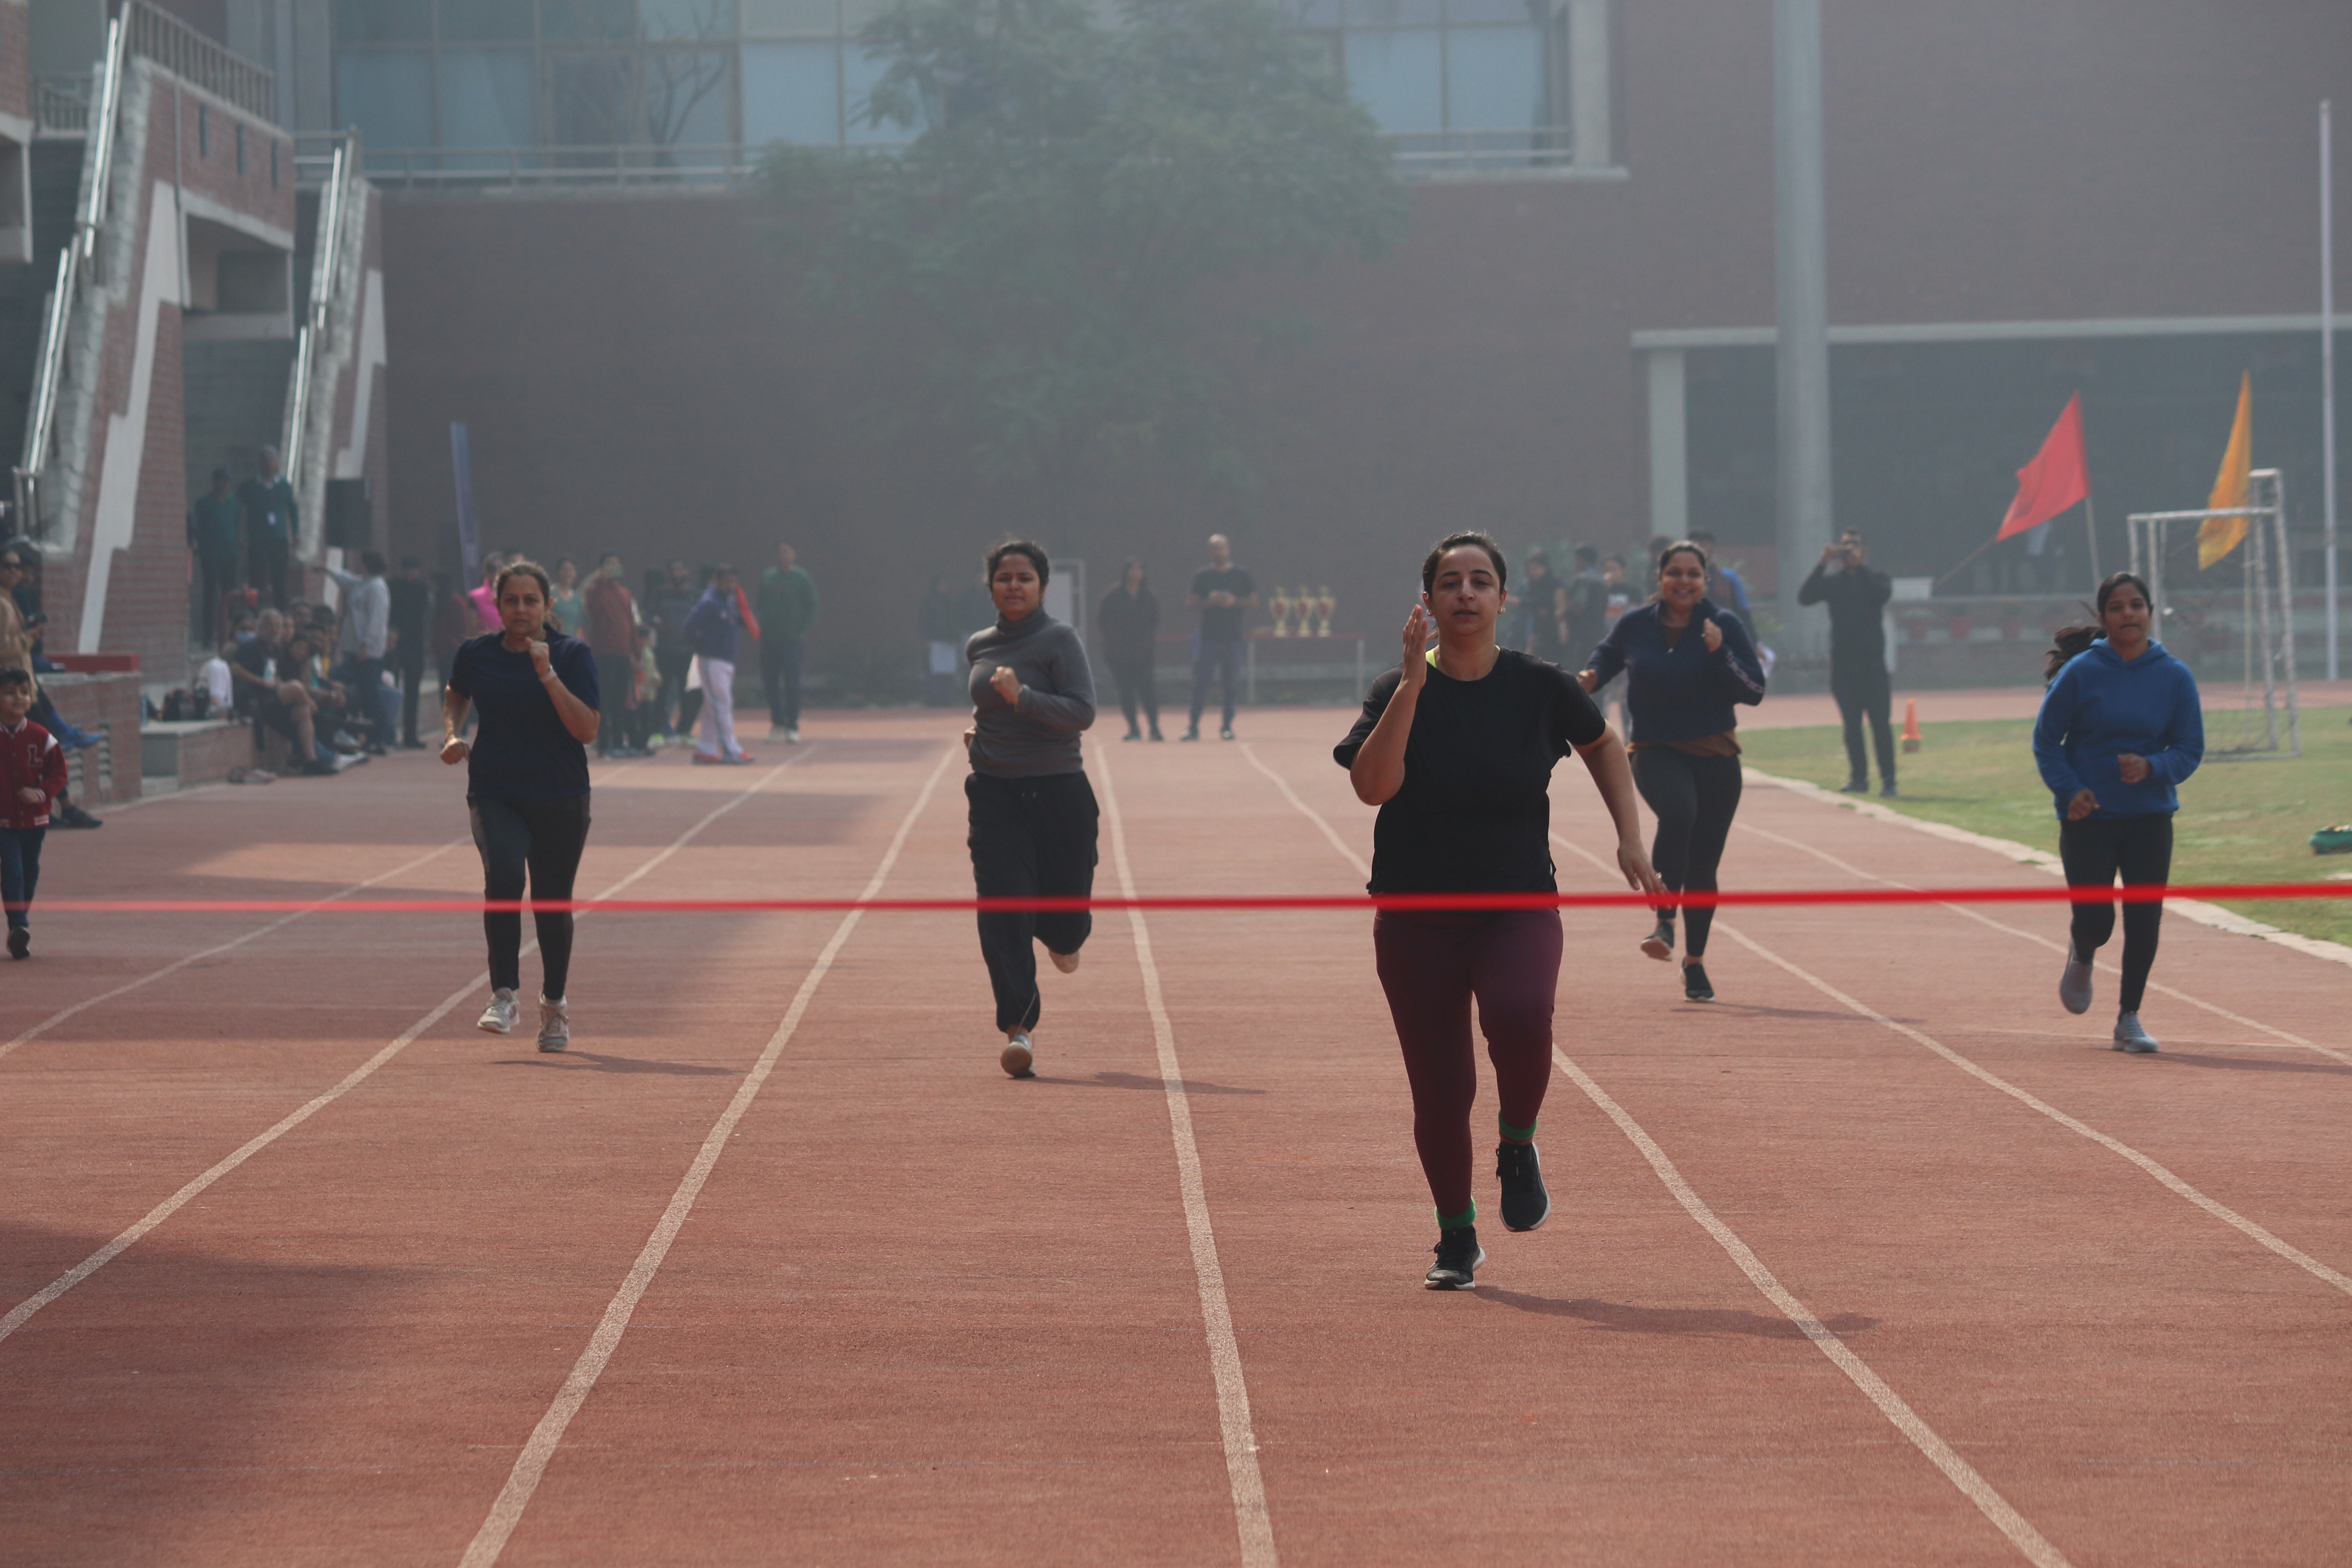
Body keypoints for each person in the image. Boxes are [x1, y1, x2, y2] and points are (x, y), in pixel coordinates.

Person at [1337, 532, 1661, 1291]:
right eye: (1450, 582)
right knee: (1441, 1090)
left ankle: (1517, 1143)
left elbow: (1602, 745)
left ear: (1503, 599)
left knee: (1520, 1015)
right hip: (1415, 917)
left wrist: (1628, 836)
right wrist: (1412, 686)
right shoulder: (1393, 690)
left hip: (1514, 905)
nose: (1465, 593)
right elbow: (1373, 788)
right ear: (1427, 601)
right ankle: (1456, 1236)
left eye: (1480, 581)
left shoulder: (1539, 686)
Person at [1579, 540, 1768, 1003]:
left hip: (1717, 755)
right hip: (1654, 749)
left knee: (1703, 866)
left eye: (1693, 574)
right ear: (1660, 579)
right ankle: (1664, 922)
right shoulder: (1635, 624)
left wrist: (1720, 653)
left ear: (1705, 581)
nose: (1684, 581)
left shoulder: (1722, 624)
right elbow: (1607, 656)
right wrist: (1590, 678)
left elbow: (1754, 690)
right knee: (1679, 811)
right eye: (1675, 573)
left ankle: (1695, 963)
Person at [2033, 572, 2202, 1054]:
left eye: (2137, 605)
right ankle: (2083, 950)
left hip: (2150, 815)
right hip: (2089, 817)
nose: (2128, 614)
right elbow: (2047, 741)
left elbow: (2189, 749)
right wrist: (2071, 791)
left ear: (2150, 612)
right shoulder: (2082, 672)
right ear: (2105, 618)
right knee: (2097, 921)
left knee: (2145, 918)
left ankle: (2129, 1018)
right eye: (2117, 607)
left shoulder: (2174, 676)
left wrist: (2152, 766)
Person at [442, 559, 602, 1051]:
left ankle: (554, 1004)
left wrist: (547, 674)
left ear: (547, 605)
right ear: (497, 604)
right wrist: (452, 733)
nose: (520, 609)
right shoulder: (476, 653)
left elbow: (587, 730)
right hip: (496, 790)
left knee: (552, 903)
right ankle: (504, 994)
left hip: (560, 794)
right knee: (505, 878)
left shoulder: (572, 655)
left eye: (531, 601)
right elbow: (456, 692)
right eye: (510, 600)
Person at [964, 539, 1097, 1079]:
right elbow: (988, 706)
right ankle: (1019, 1029)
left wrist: (1023, 699)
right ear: (991, 586)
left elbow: (1082, 711)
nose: (1014, 586)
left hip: (1059, 793)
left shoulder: (1060, 639)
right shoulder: (979, 645)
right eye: (1004, 578)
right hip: (995, 796)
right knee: (1002, 911)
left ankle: (1064, 938)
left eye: (1024, 578)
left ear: (1042, 586)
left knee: (1066, 925)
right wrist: (982, 735)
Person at [1797, 528, 1897, 797]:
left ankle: (1889, 780)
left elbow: (1882, 595)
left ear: (1865, 550)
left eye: (1856, 545)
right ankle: (1859, 778)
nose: (1851, 550)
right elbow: (1804, 598)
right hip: (1844, 665)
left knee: (1880, 724)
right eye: (1846, 546)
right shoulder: (1833, 583)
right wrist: (1822, 564)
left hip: (1873, 665)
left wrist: (1860, 567)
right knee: (1852, 726)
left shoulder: (1877, 578)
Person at [0, 666, 66, 959]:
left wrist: (41, 794)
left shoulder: (42, 736)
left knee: (29, 872)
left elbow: (59, 773)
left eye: (24, 692)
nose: (18, 698)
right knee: (12, 870)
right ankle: (18, 924)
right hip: (3, 821)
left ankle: (19, 927)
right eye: (10, 692)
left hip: (34, 820)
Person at [229, 609, 338, 775]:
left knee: (303, 711)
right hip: (256, 697)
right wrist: (261, 681)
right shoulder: (252, 646)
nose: (274, 630)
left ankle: (311, 761)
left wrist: (281, 685)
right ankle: (307, 702)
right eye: (269, 625)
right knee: (296, 687)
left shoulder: (276, 650)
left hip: (273, 698)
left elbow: (277, 676)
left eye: (277, 626)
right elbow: (236, 669)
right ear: (260, 627)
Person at [1182, 533, 1256, 741]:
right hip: (1208, 639)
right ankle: (1193, 727)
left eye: (1222, 548)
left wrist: (1234, 601)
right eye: (1215, 549)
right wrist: (1210, 601)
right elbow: (1190, 604)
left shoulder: (1241, 575)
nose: (1219, 552)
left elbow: (1254, 602)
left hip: (1233, 639)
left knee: (1231, 685)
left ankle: (1227, 726)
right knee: (1200, 684)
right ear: (1210, 552)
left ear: (1228, 550)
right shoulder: (1203, 576)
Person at [324, 550, 397, 753]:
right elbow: (346, 579)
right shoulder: (361, 583)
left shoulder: (377, 587)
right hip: (354, 650)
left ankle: (382, 737)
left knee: (370, 696)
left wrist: (367, 644)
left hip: (368, 653)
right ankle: (362, 734)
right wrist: (328, 570)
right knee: (358, 691)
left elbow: (377, 618)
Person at [683, 564, 755, 765]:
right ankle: (731, 749)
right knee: (722, 704)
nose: (731, 585)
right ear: (717, 581)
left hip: (726, 659)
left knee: (712, 706)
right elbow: (689, 628)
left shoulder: (731, 601)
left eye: (734, 581)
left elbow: (741, 621)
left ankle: (705, 748)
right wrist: (703, 645)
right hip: (711, 659)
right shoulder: (709, 602)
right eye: (727, 581)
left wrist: (744, 608)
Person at [583, 553, 647, 759]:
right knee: (604, 700)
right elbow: (590, 609)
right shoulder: (595, 591)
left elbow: (631, 624)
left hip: (623, 655)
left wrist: (636, 653)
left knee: (621, 701)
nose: (614, 569)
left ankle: (619, 743)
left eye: (616, 565)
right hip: (603, 654)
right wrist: (596, 581)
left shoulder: (625, 593)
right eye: (609, 565)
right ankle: (604, 745)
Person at [756, 542, 818, 744]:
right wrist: (761, 626)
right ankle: (777, 724)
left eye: (786, 551)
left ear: (794, 554)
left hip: (793, 642)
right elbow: (760, 605)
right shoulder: (768, 577)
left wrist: (800, 628)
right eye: (779, 552)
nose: (782, 555)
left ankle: (792, 726)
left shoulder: (802, 578)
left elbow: (812, 606)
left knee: (792, 683)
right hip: (769, 641)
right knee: (770, 684)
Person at [1097, 558, 1162, 741]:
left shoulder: (1148, 596)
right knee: (1126, 692)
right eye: (1132, 569)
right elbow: (1102, 620)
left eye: (1139, 569)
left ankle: (1155, 728)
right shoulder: (1113, 596)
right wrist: (1114, 641)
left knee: (1148, 691)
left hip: (1143, 653)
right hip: (1119, 654)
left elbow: (1155, 621)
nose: (1135, 573)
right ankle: (1134, 729)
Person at [644, 558, 700, 740]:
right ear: (668, 574)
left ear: (686, 572)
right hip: (664, 651)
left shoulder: (695, 595)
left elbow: (704, 618)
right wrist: (657, 623)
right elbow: (648, 616)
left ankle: (685, 732)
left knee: (688, 695)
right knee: (661, 693)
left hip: (688, 652)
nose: (676, 574)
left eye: (679, 569)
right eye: (673, 570)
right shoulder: (660, 594)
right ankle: (656, 732)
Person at [186, 467, 242, 646]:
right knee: (210, 596)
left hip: (230, 555)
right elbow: (197, 528)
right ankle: (209, 636)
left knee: (230, 595)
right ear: (214, 481)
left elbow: (236, 525)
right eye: (220, 480)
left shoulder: (235, 503)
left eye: (226, 481)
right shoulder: (204, 503)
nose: (223, 484)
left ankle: (229, 634)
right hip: (211, 555)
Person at [239, 447, 297, 610]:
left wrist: (296, 532)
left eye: (272, 461)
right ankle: (255, 612)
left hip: (279, 539)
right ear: (260, 463)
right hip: (258, 539)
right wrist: (239, 534)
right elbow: (238, 510)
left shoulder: (284, 486)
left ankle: (280, 612)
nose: (268, 465)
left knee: (280, 579)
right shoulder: (250, 487)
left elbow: (293, 509)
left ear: (277, 463)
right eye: (265, 461)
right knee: (256, 578)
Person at [387, 557, 432, 748]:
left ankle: (410, 735)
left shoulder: (422, 589)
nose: (411, 575)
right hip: (395, 643)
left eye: (414, 571)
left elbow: (426, 615)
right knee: (391, 688)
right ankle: (388, 733)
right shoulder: (391, 587)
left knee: (413, 691)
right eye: (408, 570)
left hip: (415, 644)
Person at [919, 575, 965, 706]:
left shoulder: (949, 603)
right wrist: (926, 639)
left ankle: (946, 698)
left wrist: (957, 639)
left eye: (946, 585)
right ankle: (934, 699)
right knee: (935, 672)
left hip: (949, 642)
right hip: (934, 641)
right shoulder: (927, 602)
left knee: (948, 671)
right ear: (935, 586)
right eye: (941, 585)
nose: (944, 588)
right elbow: (924, 622)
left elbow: (954, 622)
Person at [549, 559, 585, 638]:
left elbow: (577, 627)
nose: (568, 573)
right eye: (564, 569)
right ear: (558, 572)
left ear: (575, 573)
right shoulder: (550, 594)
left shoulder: (577, 598)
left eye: (571, 570)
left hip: (571, 641)